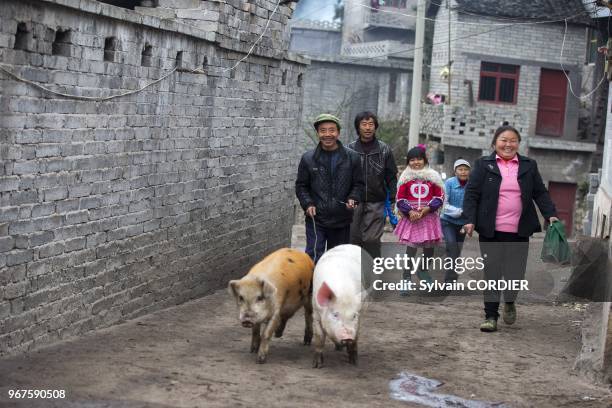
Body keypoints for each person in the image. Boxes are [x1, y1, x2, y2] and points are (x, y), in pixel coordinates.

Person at [463, 125, 559, 333]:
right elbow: (471, 194)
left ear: (518, 143)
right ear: (495, 142)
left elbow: (540, 193)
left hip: (519, 230)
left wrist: (550, 214)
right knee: (492, 273)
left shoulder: (528, 166)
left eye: (513, 140)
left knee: (514, 273)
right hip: (491, 230)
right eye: (504, 140)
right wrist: (469, 219)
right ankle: (490, 316)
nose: (508, 144)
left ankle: (510, 301)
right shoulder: (483, 165)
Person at [296, 113, 364, 263]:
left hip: (342, 219)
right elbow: (301, 186)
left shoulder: (352, 157)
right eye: (323, 130)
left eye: (331, 130)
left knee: (337, 260)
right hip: (316, 219)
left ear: (338, 132)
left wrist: (353, 198)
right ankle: (313, 286)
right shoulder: (308, 158)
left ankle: (334, 287)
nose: (327, 134)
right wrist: (308, 203)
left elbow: (359, 184)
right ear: (318, 133)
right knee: (313, 257)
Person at [348, 111, 398, 259]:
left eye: (371, 124)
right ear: (358, 127)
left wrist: (394, 197)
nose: (368, 128)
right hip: (354, 201)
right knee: (353, 238)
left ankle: (374, 272)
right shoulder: (349, 149)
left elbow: (391, 176)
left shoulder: (384, 150)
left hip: (377, 201)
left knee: (371, 239)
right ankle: (355, 273)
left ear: (375, 127)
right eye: (364, 124)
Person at [394, 145, 444, 292]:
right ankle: (406, 278)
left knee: (429, 249)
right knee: (411, 250)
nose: (416, 162)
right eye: (412, 160)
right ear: (408, 162)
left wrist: (428, 209)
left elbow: (439, 196)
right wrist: (409, 211)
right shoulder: (405, 178)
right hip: (412, 219)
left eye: (419, 159)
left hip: (428, 217)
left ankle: (422, 270)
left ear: (425, 160)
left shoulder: (433, 177)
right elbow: (400, 199)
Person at [440, 159, 471, 283]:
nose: (463, 172)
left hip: (462, 224)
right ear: (455, 171)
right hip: (447, 221)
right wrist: (461, 211)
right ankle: (449, 281)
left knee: (456, 251)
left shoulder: (472, 184)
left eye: (466, 169)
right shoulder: (449, 183)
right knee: (452, 247)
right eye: (460, 169)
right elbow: (444, 204)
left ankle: (451, 278)